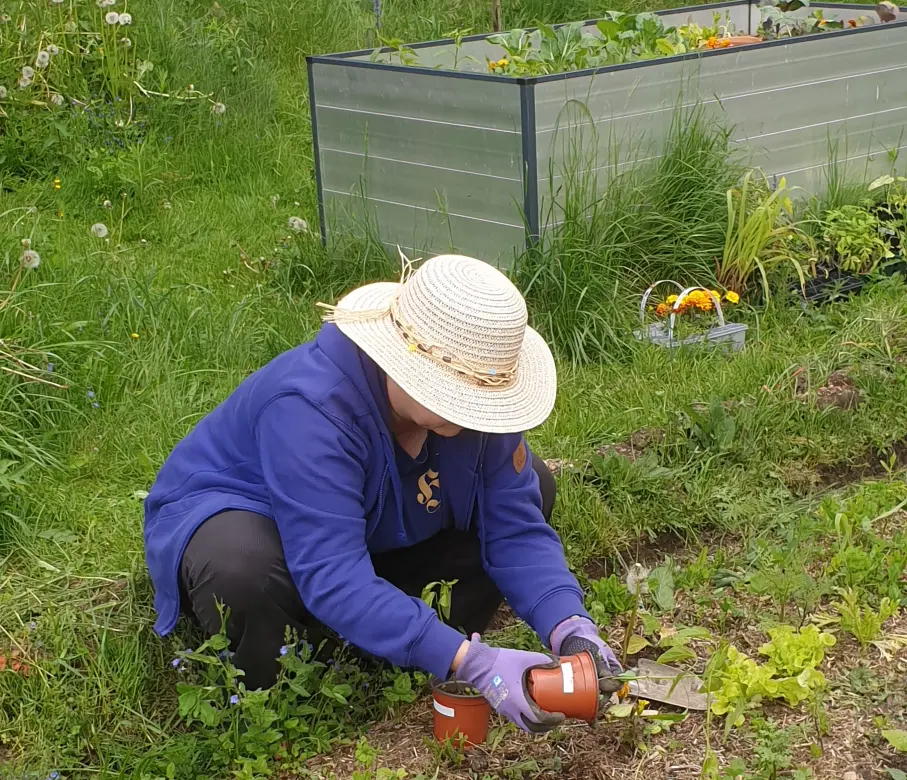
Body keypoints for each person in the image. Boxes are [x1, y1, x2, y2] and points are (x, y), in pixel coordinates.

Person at [144, 254, 621, 732]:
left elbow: (515, 528)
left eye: (484, 398)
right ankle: (304, 670)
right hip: (254, 519)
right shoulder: (310, 409)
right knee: (240, 568)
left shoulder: (481, 395)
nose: (478, 412)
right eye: (461, 395)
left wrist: (570, 627)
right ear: (402, 362)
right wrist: (473, 663)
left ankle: (390, 635)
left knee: (533, 482)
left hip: (372, 524)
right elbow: (331, 571)